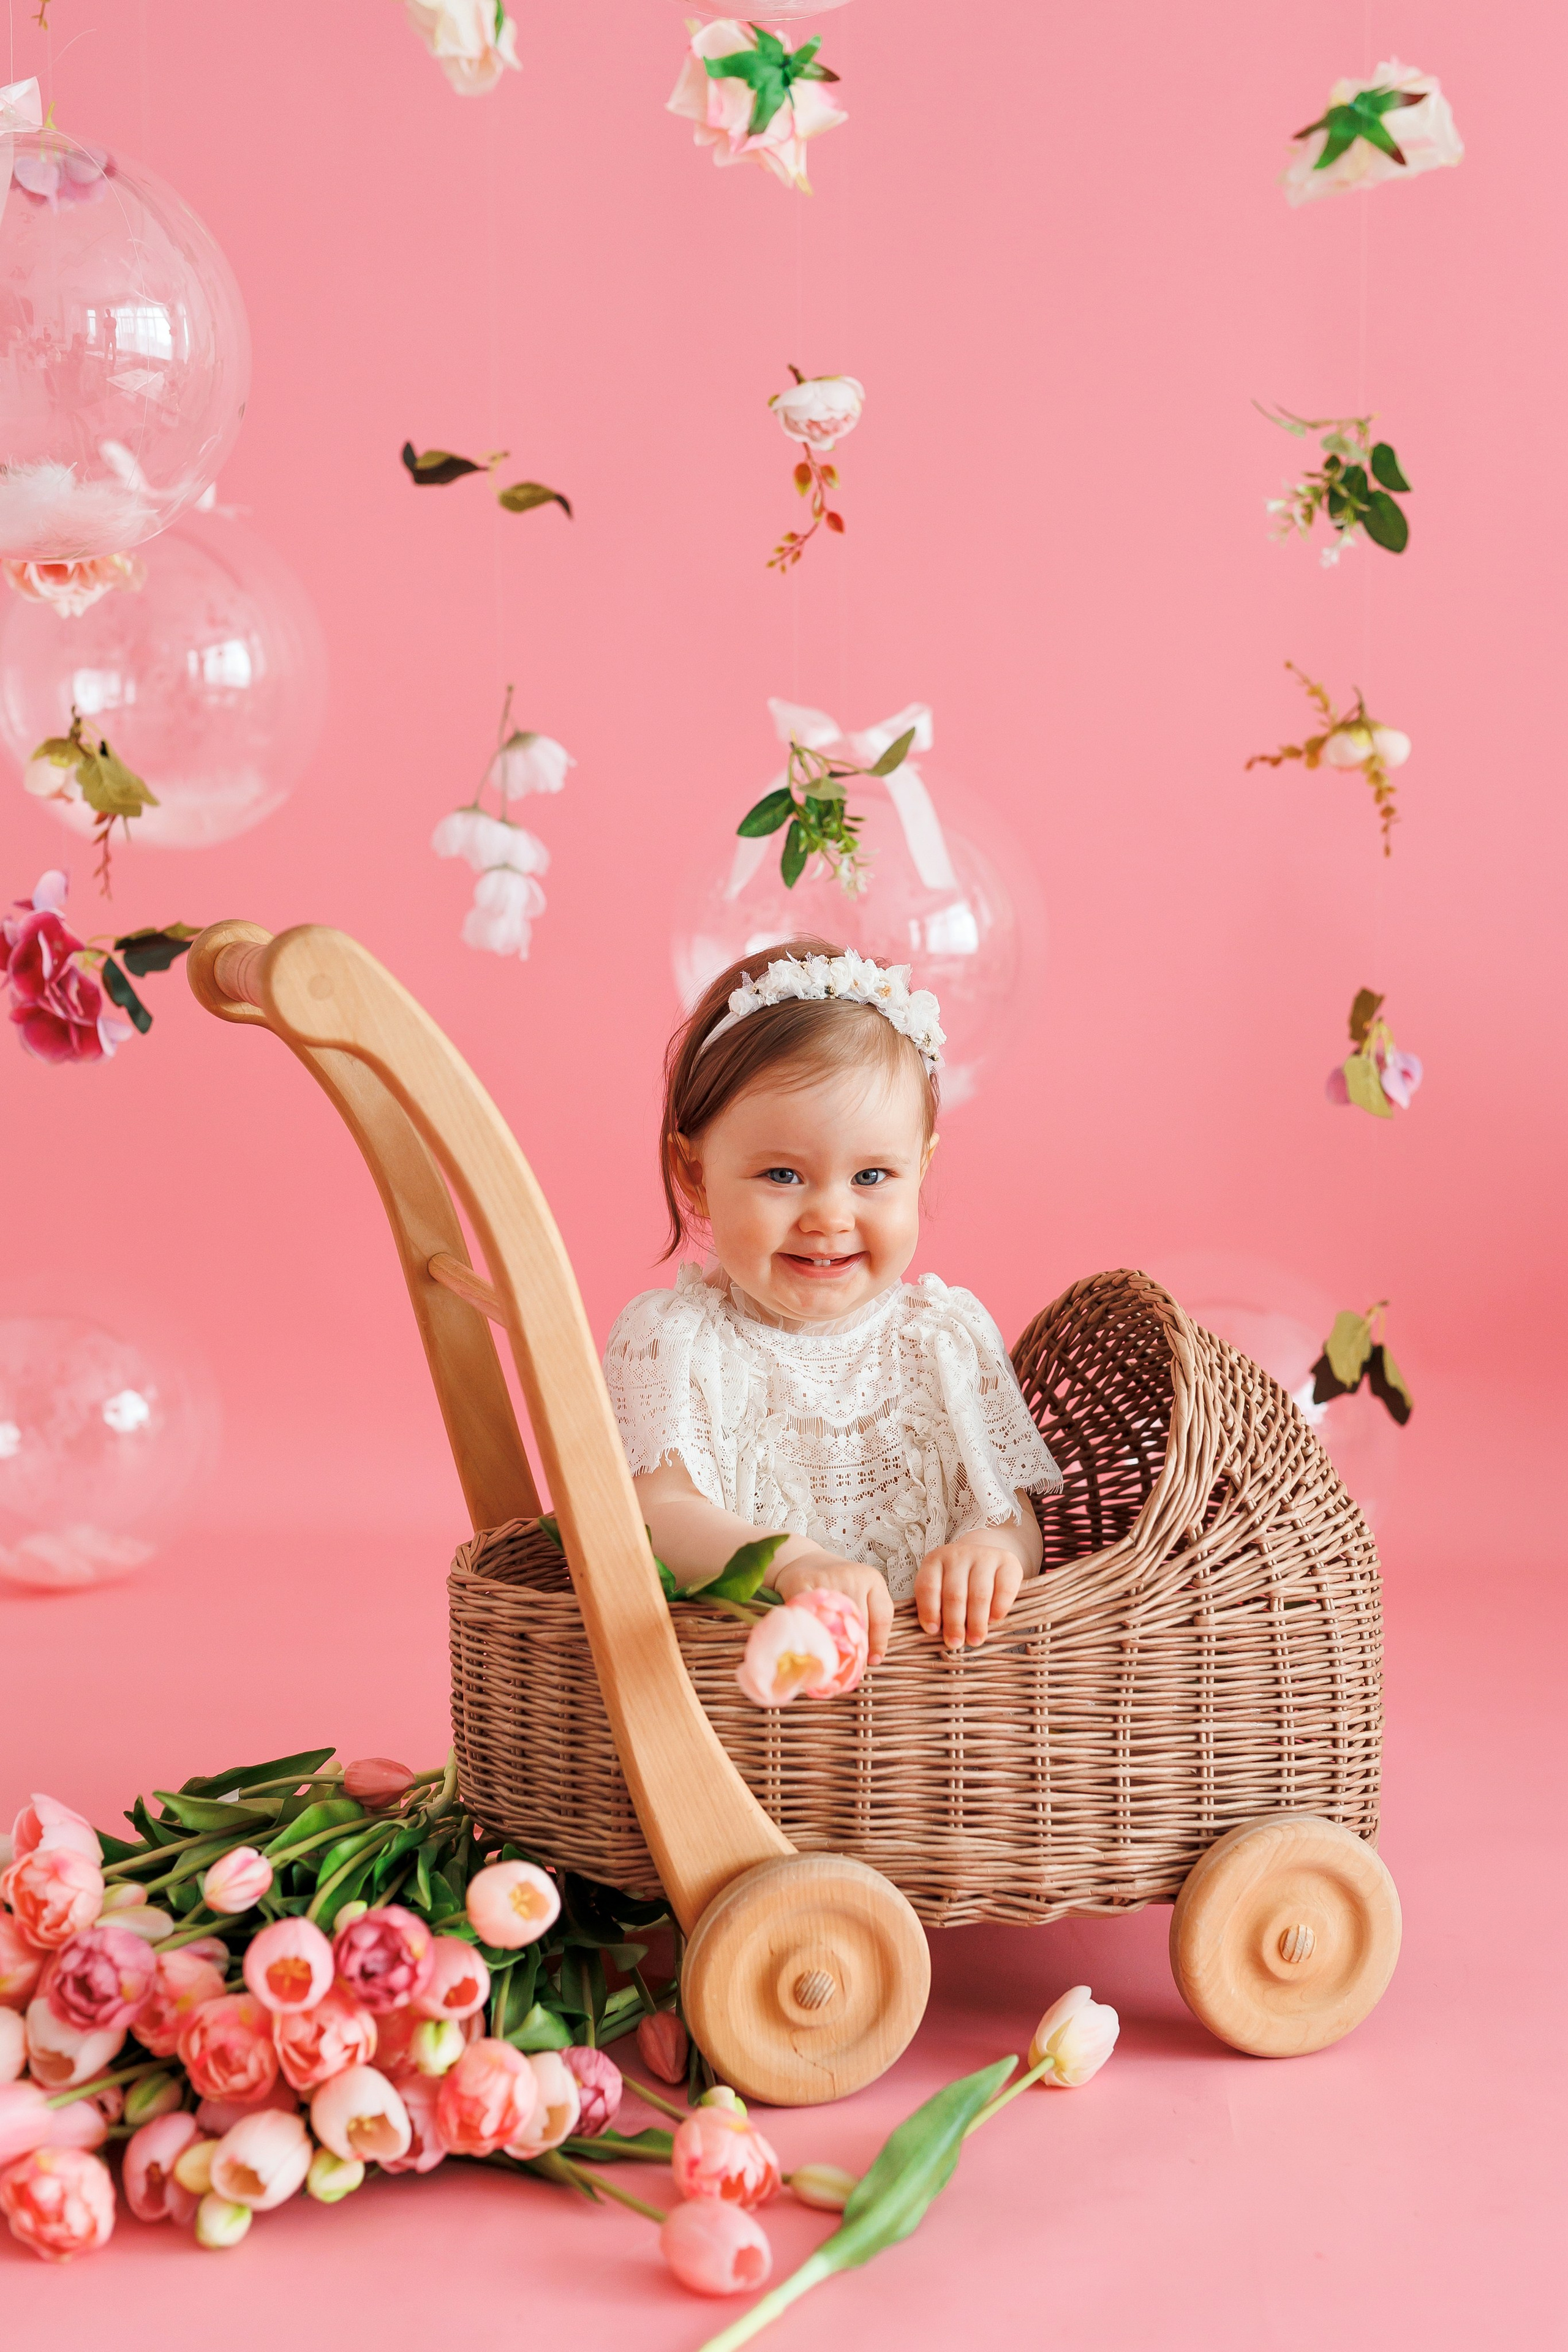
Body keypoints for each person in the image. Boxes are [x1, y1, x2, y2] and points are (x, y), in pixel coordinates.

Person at [603, 939, 1060, 1669]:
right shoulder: (674, 1341)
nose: (829, 1216)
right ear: (693, 1174)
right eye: (782, 1174)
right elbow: (657, 1518)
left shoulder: (943, 1337)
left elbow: (1008, 1511)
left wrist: (990, 1551)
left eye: (872, 1175)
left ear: (923, 1168)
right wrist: (790, 1564)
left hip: (942, 1711)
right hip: (745, 1712)